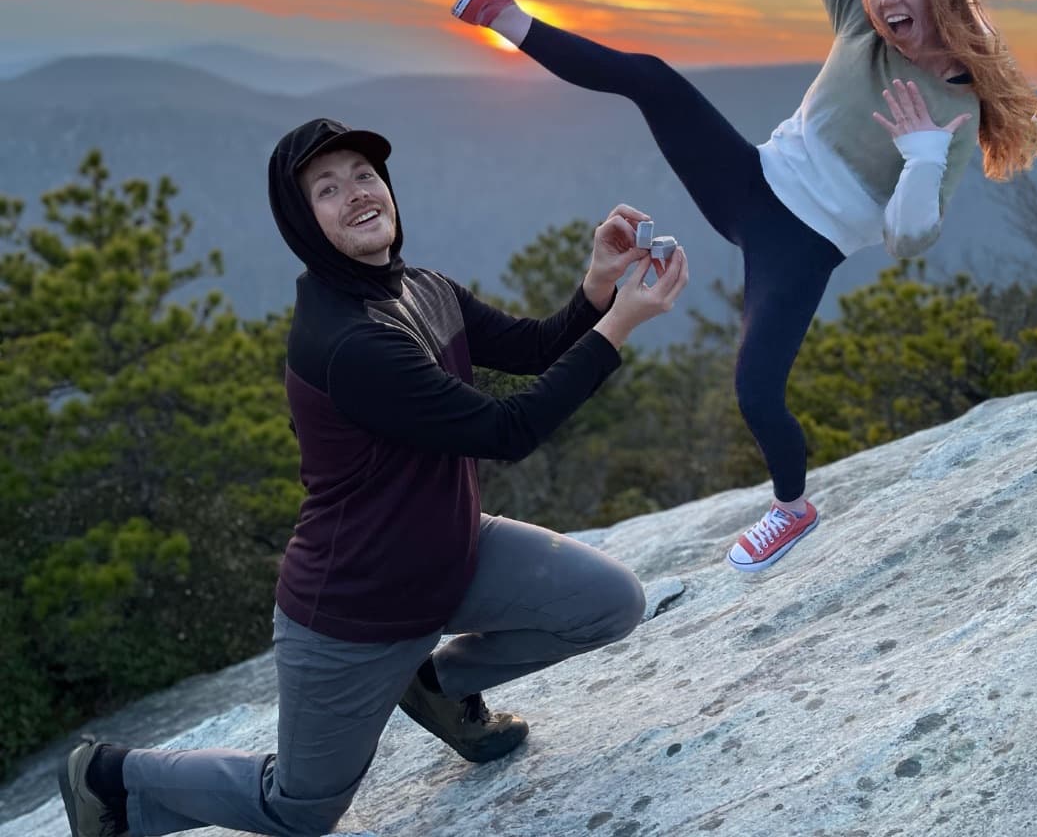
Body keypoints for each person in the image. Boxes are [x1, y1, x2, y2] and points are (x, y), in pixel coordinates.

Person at [450, 0, 1037, 574]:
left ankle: (791, 507)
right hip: (749, 181)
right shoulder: (858, 20)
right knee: (654, 78)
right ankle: (501, 13)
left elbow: (911, 239)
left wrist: (919, 158)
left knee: (756, 391)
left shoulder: (955, 108)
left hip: (800, 249)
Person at [58, 117, 689, 837]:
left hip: (453, 554)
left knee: (610, 604)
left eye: (364, 174)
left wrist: (598, 288)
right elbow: (506, 431)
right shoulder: (350, 342)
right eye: (328, 189)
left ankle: (437, 686)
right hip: (357, 610)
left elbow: (532, 348)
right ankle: (108, 773)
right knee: (299, 809)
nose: (358, 194)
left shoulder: (419, 288)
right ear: (303, 220)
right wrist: (621, 327)